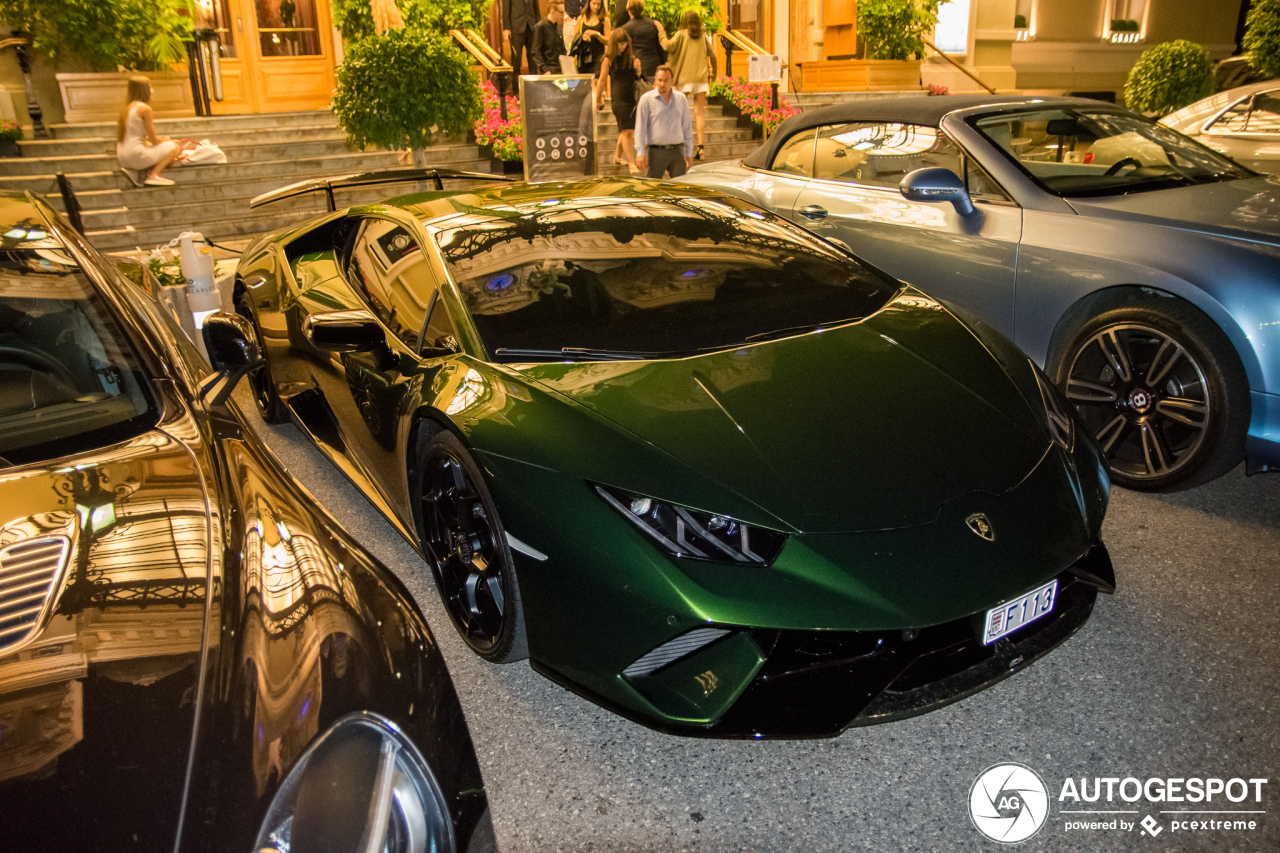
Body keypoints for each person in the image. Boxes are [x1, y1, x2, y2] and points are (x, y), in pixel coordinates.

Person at [662, 10, 715, 160]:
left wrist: (660, 32)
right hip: (701, 79)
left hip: (684, 79)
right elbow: (713, 55)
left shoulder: (681, 34)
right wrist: (714, 73)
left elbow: (667, 46)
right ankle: (701, 149)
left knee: (679, 113)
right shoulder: (703, 37)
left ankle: (682, 147)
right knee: (699, 113)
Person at [116, 75, 181, 187]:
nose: (152, 90)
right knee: (175, 147)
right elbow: (154, 140)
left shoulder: (127, 109)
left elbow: (144, 141)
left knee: (168, 153)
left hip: (122, 157)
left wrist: (165, 151)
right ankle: (155, 175)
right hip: (136, 155)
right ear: (144, 90)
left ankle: (136, 172)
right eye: (150, 87)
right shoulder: (145, 109)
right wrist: (167, 141)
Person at [595, 28, 643, 175]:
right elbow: (602, 80)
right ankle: (631, 163)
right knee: (627, 131)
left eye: (624, 44)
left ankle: (617, 156)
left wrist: (638, 68)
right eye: (619, 44)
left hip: (632, 97)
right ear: (614, 43)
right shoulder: (608, 59)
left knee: (625, 129)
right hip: (618, 98)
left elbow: (639, 77)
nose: (622, 47)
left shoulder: (632, 58)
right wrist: (597, 100)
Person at [634, 64, 693, 179]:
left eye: (666, 80)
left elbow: (687, 127)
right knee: (653, 187)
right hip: (656, 151)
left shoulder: (681, 99)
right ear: (655, 80)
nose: (662, 84)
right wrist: (640, 152)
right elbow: (640, 127)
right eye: (659, 80)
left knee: (679, 188)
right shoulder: (646, 99)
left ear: (672, 81)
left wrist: (689, 152)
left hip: (677, 151)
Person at [620, 0, 665, 81]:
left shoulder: (626, 28)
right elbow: (659, 48)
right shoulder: (652, 25)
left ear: (628, 9)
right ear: (642, 9)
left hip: (636, 68)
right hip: (654, 67)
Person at [502, 0, 541, 76]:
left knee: (533, 60)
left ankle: (532, 86)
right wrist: (506, 27)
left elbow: (536, 9)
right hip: (516, 28)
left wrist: (539, 27)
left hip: (531, 27)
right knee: (516, 62)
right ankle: (516, 87)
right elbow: (506, 8)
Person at [571, 0, 610, 76]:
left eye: (598, 4)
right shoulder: (581, 19)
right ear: (589, 4)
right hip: (583, 56)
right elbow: (574, 39)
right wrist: (582, 37)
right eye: (594, 4)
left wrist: (597, 34)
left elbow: (608, 41)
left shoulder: (604, 20)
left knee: (597, 79)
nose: (596, 7)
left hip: (598, 56)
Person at [532, 0, 568, 73]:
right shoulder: (540, 27)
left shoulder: (559, 27)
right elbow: (536, 51)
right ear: (552, 11)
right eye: (561, 12)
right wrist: (545, 70)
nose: (563, 15)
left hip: (560, 68)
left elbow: (562, 50)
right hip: (548, 68)